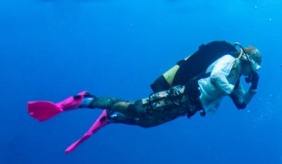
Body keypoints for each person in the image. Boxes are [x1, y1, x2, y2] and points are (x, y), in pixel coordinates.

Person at [27, 42, 262, 153]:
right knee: (137, 108)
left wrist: (253, 89)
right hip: (184, 94)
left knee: (147, 122)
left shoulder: (237, 79)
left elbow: (241, 104)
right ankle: (85, 100)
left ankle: (110, 117)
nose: (252, 73)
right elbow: (216, 78)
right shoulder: (229, 62)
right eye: (253, 70)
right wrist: (232, 91)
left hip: (188, 105)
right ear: (247, 62)